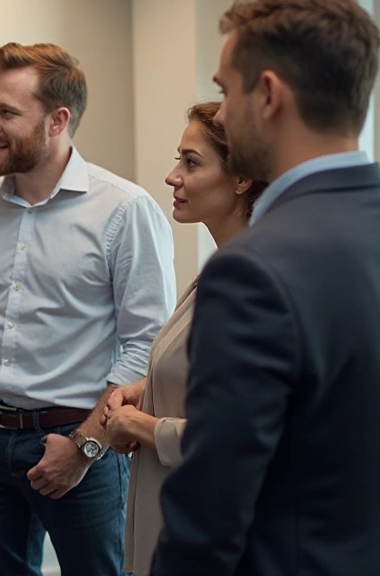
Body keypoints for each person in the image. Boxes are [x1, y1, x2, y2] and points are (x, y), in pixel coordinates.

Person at [151, 1, 380, 575]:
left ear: (268, 95)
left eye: (225, 91)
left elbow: (208, 516)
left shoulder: (251, 268)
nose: (223, 113)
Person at [0, 42, 176, 575]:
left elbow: (146, 344)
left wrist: (84, 447)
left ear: (58, 120)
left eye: (6, 112)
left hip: (80, 438)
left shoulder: (124, 210)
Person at [100, 101, 265, 576]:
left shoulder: (252, 285)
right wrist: (146, 389)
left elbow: (240, 439)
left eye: (191, 163)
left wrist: (139, 426)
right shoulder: (220, 271)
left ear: (241, 178)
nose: (172, 177)